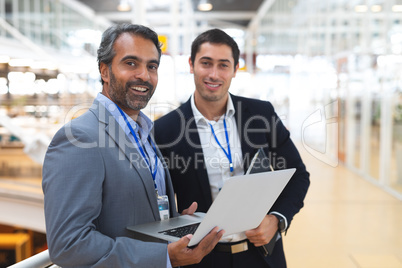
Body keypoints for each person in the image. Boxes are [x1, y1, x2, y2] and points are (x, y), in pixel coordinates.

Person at [42, 24, 224, 268]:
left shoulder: (144, 132)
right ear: (104, 71)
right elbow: (69, 244)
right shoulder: (79, 138)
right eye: (131, 63)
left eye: (152, 66)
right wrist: (163, 256)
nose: (144, 75)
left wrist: (173, 224)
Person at [154, 28, 310, 268]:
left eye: (223, 65)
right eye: (206, 63)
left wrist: (277, 219)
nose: (214, 74)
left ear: (236, 69)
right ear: (191, 65)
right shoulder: (165, 130)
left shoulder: (261, 115)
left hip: (261, 254)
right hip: (201, 258)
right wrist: (176, 220)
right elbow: (157, 199)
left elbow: (298, 175)